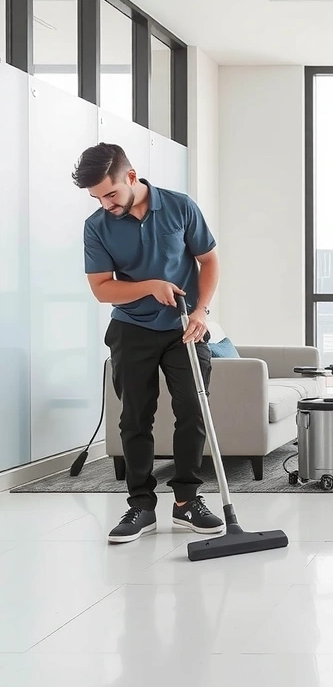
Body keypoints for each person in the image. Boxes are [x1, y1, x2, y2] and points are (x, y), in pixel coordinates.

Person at [76, 142, 225, 542]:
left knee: (192, 410)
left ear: (130, 176)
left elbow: (209, 260)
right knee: (135, 418)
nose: (106, 204)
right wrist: (150, 286)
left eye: (110, 194)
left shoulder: (180, 207)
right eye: (97, 198)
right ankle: (141, 506)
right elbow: (102, 288)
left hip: (185, 327)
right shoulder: (97, 226)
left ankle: (187, 501)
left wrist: (201, 311)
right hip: (131, 329)